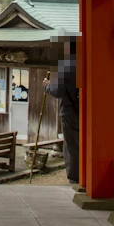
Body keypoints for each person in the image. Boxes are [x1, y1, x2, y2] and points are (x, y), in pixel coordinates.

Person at [42, 48, 79, 185]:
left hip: (69, 111)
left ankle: (75, 178)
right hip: (85, 110)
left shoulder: (66, 65)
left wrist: (47, 85)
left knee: (71, 146)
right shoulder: (86, 63)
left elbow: (58, 91)